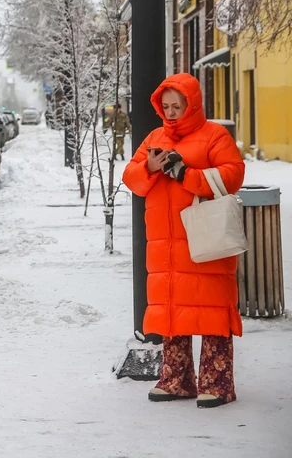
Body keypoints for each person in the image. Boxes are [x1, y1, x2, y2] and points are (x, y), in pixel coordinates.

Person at [122, 73, 245, 408]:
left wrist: (185, 174)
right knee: (172, 312)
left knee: (212, 311)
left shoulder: (214, 135)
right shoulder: (154, 137)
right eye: (166, 106)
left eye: (178, 105)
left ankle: (216, 383)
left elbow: (233, 174)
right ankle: (176, 380)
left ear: (192, 103)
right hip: (166, 246)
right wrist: (148, 166)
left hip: (204, 239)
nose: (172, 112)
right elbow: (131, 178)